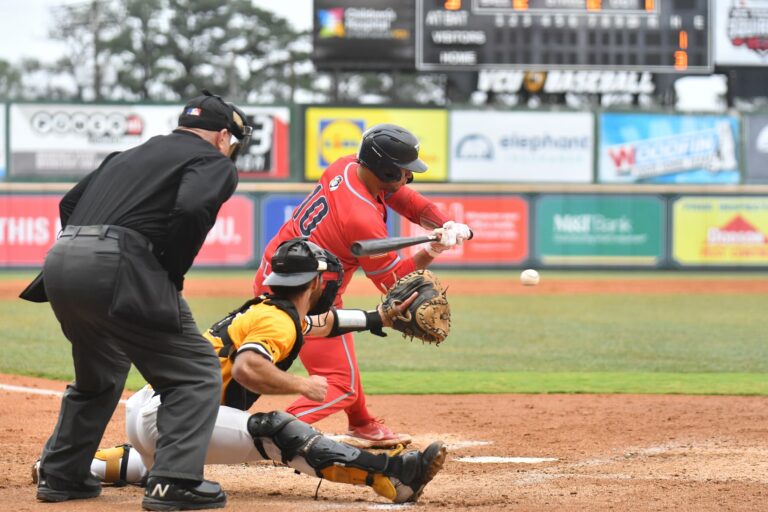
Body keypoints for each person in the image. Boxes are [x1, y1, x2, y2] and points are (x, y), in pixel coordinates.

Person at [72, 238, 447, 505]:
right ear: (315, 282)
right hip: (172, 421)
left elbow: (318, 324)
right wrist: (303, 384)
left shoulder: (267, 310)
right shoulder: (278, 323)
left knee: (162, 457)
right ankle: (394, 474)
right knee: (275, 431)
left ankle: (82, 465)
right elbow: (248, 367)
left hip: (147, 412)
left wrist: (375, 318)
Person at [20, 90, 253, 510]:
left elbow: (68, 202)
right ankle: (174, 481)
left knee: (100, 374)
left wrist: (86, 247)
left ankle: (61, 473)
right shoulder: (213, 160)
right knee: (196, 373)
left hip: (60, 260)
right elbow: (192, 207)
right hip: (121, 264)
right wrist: (169, 270)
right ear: (223, 137)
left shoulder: (126, 154)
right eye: (232, 143)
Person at [252, 123, 472, 448]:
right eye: (403, 171)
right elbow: (394, 283)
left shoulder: (348, 165)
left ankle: (362, 424)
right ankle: (269, 435)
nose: (409, 177)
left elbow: (408, 201)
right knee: (341, 384)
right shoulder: (361, 219)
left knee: (344, 364)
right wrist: (431, 250)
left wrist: (445, 224)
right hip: (301, 297)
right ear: (383, 169)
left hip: (287, 274)